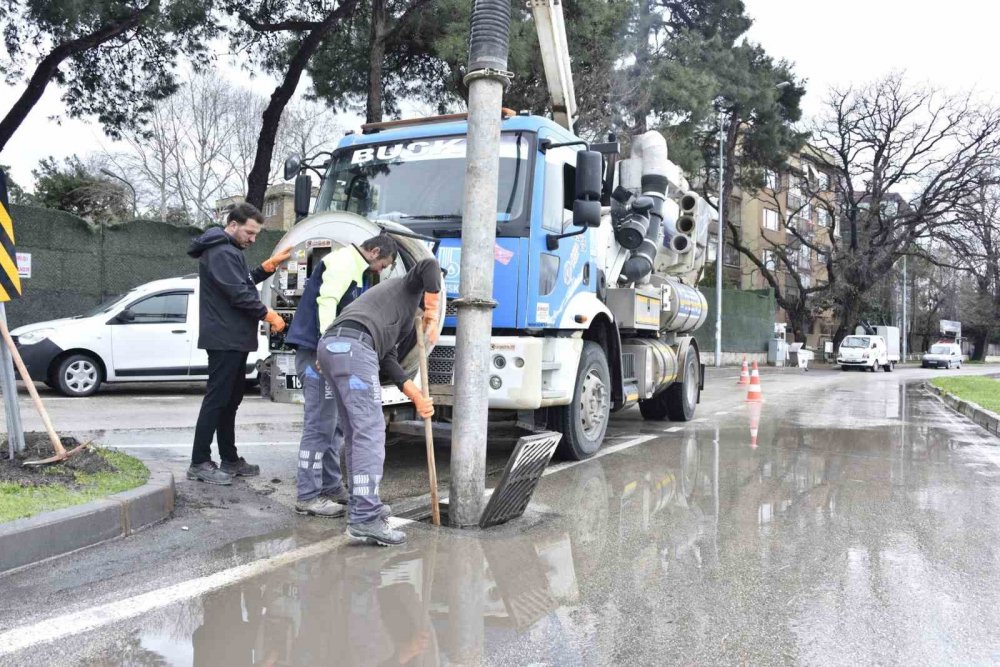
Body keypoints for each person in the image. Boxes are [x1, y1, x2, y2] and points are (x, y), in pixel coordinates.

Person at [317, 258, 442, 546]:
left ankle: (362, 507)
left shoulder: (392, 312)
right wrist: (434, 315)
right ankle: (365, 517)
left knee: (355, 432)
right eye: (431, 297)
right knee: (371, 433)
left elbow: (387, 359)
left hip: (333, 347)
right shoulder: (406, 286)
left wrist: (416, 396)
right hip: (354, 348)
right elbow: (429, 265)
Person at [284, 234, 399, 517]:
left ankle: (331, 486)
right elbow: (327, 301)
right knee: (319, 424)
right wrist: (327, 345)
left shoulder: (356, 268)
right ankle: (307, 496)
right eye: (384, 264)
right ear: (374, 252)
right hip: (316, 353)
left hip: (324, 352)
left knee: (333, 424)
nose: (381, 270)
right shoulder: (343, 262)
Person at [187, 203, 290, 485]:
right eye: (249, 232)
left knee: (230, 401)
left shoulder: (229, 251)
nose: (252, 239)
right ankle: (199, 462)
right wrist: (268, 314)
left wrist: (266, 268)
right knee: (217, 400)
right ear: (232, 225)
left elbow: (242, 283)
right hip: (224, 339)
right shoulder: (220, 252)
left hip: (234, 337)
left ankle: (229, 459)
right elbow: (238, 295)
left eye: (256, 234)